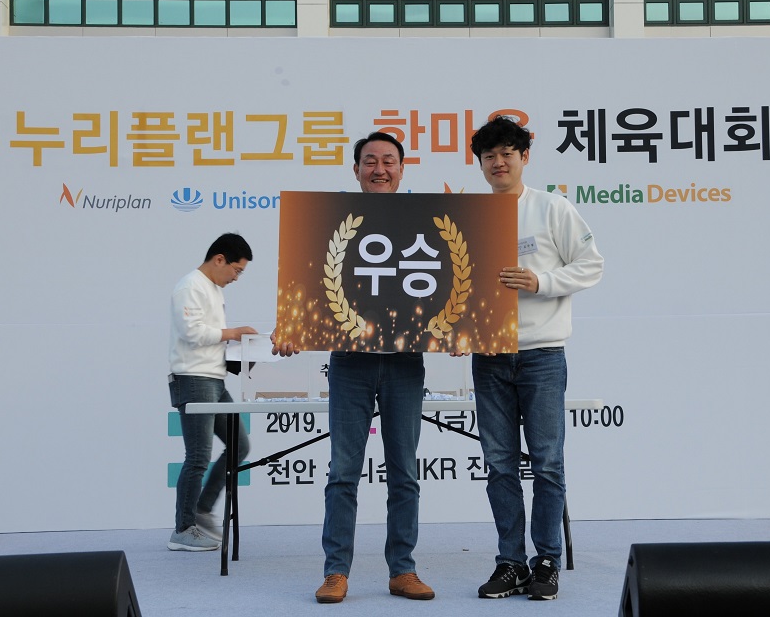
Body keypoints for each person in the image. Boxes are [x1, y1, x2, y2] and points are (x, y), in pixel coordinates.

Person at [273, 132, 435, 604]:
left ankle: (403, 570)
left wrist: (462, 330)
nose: (379, 169)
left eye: (388, 161)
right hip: (349, 363)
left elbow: (445, 282)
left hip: (405, 363)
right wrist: (291, 327)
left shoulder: (424, 220)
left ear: (402, 169)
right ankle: (335, 572)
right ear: (356, 169)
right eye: (370, 161)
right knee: (343, 472)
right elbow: (307, 280)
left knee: (404, 472)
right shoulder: (330, 220)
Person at [468, 116, 603, 600]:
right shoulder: (469, 217)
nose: (498, 163)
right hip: (489, 356)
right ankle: (510, 562)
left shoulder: (552, 207)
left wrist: (541, 281)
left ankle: (546, 560)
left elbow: (591, 265)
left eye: (507, 153)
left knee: (546, 463)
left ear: (524, 157)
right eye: (489, 156)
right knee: (499, 465)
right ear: (480, 164)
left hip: (542, 354)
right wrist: (460, 329)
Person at [167, 233, 257, 551]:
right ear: (219, 259)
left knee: (239, 445)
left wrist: (238, 344)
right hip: (194, 379)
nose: (236, 278)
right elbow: (190, 332)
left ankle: (201, 511)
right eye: (236, 270)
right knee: (198, 456)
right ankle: (183, 529)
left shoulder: (212, 289)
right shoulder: (190, 286)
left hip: (213, 379)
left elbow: (208, 335)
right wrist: (232, 333)